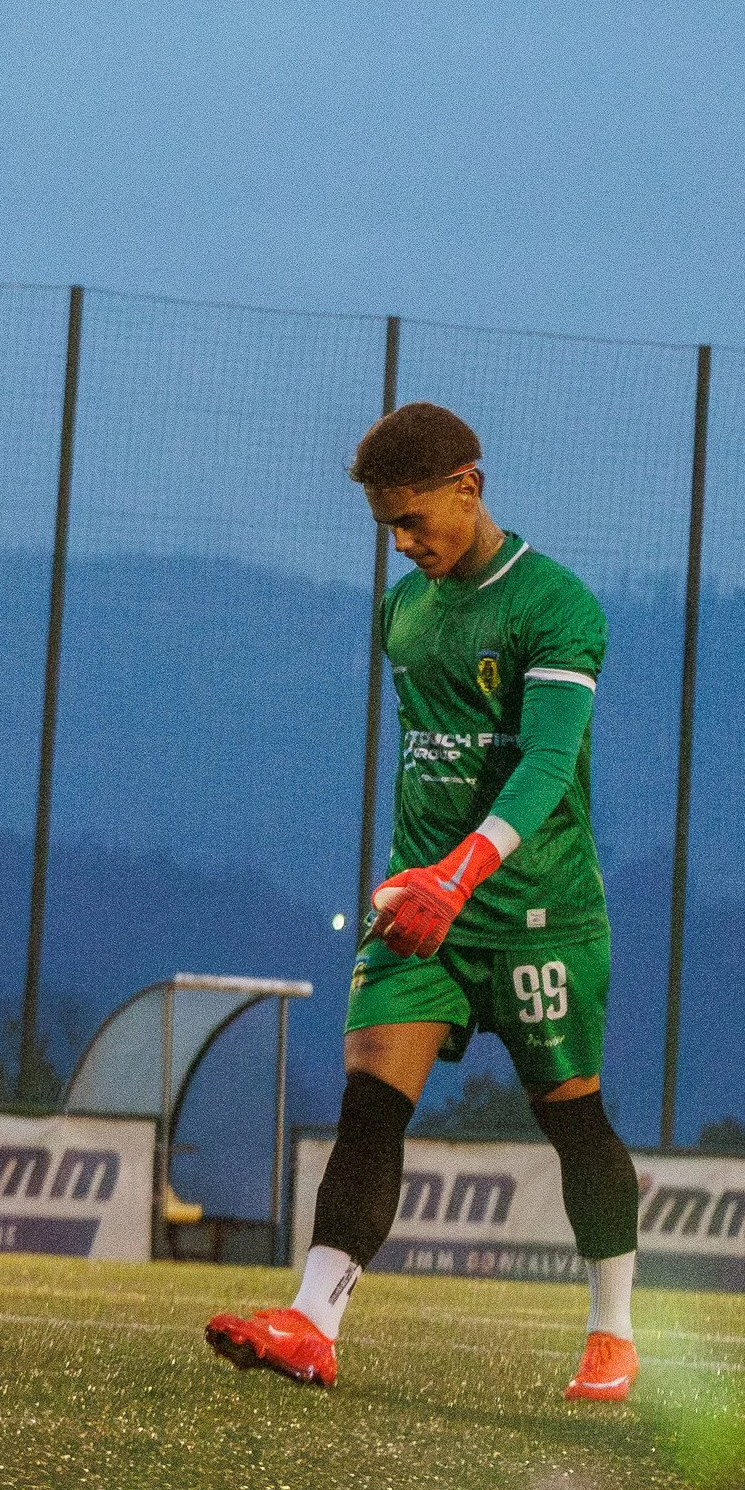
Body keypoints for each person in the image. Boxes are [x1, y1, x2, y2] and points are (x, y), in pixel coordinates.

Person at [206, 401, 638, 1403]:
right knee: (368, 1104)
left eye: (413, 520)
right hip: (421, 911)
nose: (404, 544)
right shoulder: (403, 610)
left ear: (469, 485)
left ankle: (612, 1329)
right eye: (387, 528)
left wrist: (462, 872)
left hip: (539, 912)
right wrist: (421, 877)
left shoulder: (557, 604)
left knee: (573, 1120)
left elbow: (544, 764)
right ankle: (312, 1321)